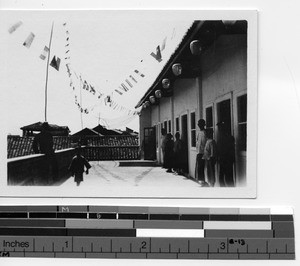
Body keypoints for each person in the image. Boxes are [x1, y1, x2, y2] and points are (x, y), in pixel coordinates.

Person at [217, 121, 235, 187]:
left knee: (226, 178)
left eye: (220, 128)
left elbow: (231, 150)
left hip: (226, 161)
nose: (219, 130)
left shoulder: (226, 138)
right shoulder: (229, 137)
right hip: (225, 161)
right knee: (225, 178)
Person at [195, 119, 207, 185]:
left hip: (204, 153)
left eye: (201, 124)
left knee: (203, 167)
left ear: (203, 125)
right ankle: (201, 181)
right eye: (199, 124)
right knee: (199, 168)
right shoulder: (199, 133)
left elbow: (206, 143)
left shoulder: (205, 132)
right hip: (199, 152)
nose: (199, 125)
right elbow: (197, 142)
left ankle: (205, 181)